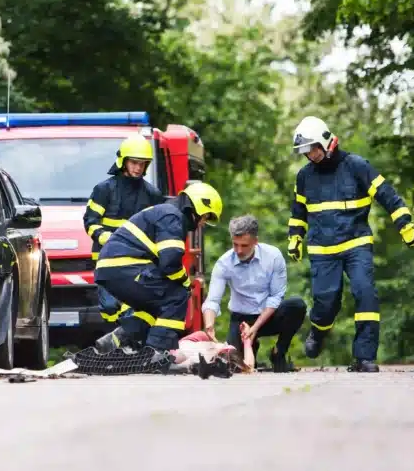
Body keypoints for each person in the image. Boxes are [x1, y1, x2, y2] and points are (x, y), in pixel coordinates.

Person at [288, 115, 414, 373]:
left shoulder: (357, 166)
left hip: (356, 243)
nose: (310, 155)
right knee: (326, 303)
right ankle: (319, 330)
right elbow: (298, 211)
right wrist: (295, 237)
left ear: (327, 143)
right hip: (322, 249)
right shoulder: (304, 177)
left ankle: (364, 357)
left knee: (365, 292)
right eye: (305, 151)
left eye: (313, 149)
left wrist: (404, 223)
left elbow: (387, 195)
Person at [92, 182, 223, 354]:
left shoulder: (166, 212)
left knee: (154, 306)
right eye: (205, 217)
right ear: (197, 207)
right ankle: (157, 352)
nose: (203, 223)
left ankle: (119, 338)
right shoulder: (172, 217)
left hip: (112, 269)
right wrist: (185, 281)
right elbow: (169, 262)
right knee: (177, 295)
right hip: (125, 266)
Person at [201, 214, 306, 373]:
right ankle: (252, 348)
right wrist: (209, 324)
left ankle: (279, 352)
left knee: (297, 305)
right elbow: (213, 300)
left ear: (255, 242)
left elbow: (276, 297)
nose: (239, 250)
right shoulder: (224, 263)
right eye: (235, 244)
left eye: (244, 245)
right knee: (237, 367)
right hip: (241, 318)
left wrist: (255, 327)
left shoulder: (273, 256)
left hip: (268, 315)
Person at [82, 133, 166, 324]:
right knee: (110, 307)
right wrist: (107, 238)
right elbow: (90, 221)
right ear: (124, 161)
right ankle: (114, 343)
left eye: (142, 163)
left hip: (137, 262)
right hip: (106, 260)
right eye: (134, 162)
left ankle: (128, 347)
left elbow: (158, 229)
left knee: (133, 308)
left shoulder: (152, 194)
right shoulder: (104, 190)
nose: (138, 167)